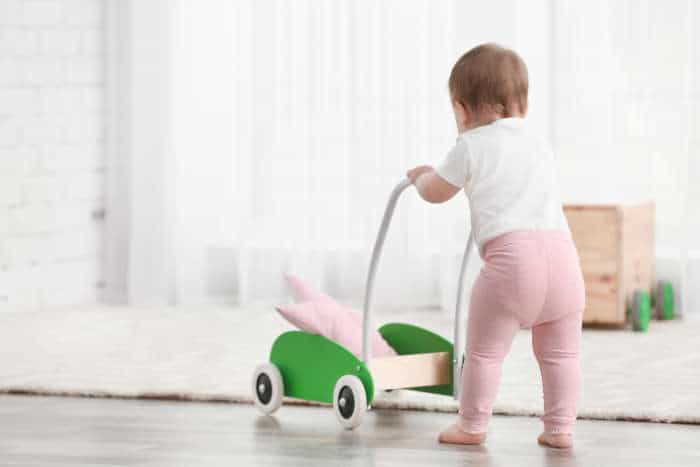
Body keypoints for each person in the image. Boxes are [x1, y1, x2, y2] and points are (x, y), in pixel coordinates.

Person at [406, 43, 585, 449]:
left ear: (461, 109)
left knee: (485, 352)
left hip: (513, 263)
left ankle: (472, 425)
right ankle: (560, 429)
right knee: (562, 355)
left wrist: (422, 177)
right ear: (521, 102)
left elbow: (436, 192)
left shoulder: (470, 145)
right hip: (563, 262)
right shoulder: (539, 143)